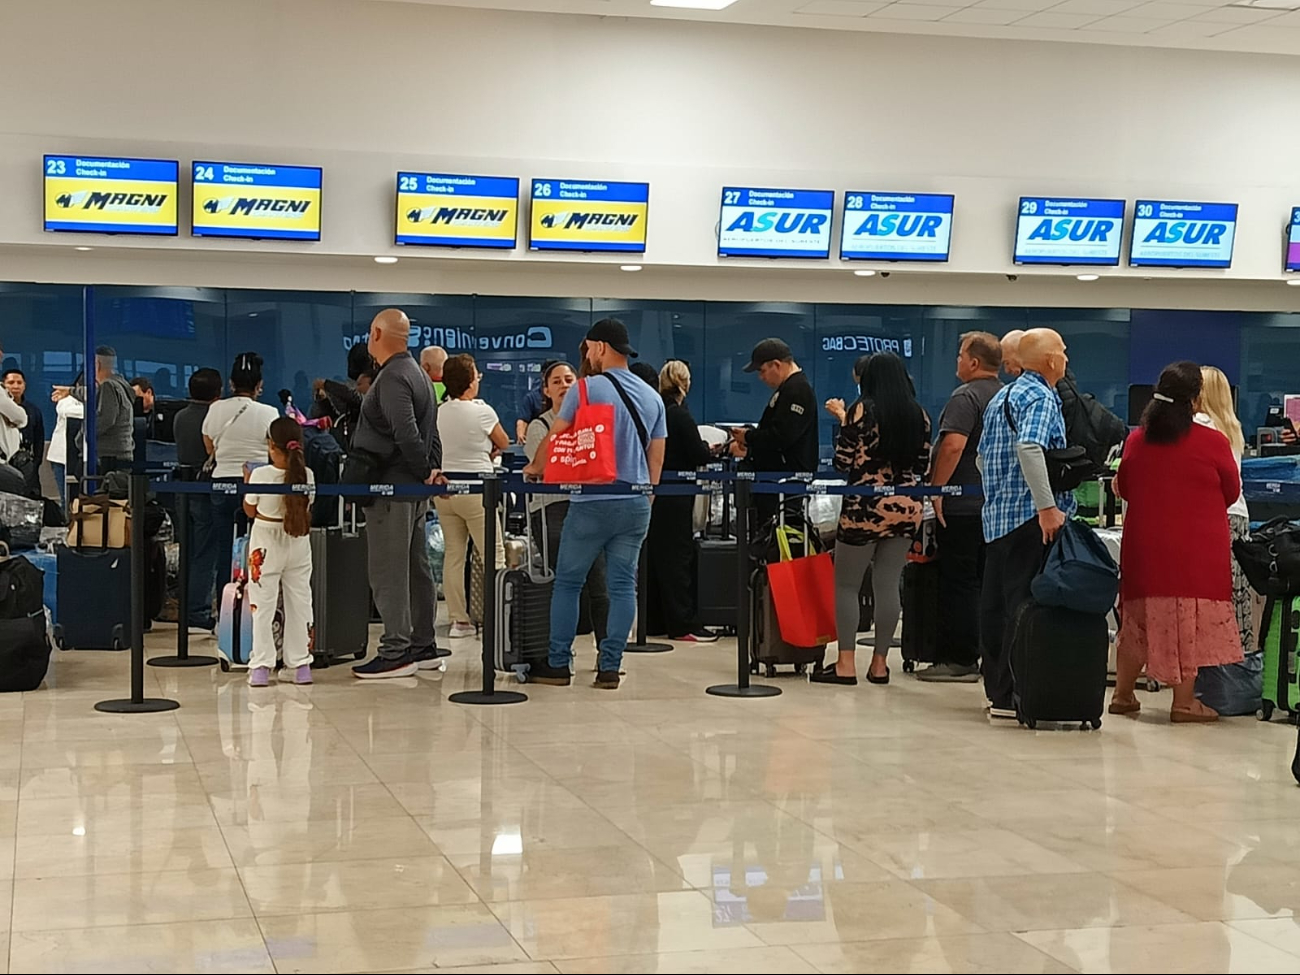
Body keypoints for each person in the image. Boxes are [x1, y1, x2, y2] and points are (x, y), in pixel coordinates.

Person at [523, 318, 666, 690]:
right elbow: (657, 459)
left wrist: (534, 467)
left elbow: (556, 438)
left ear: (600, 347)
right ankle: (610, 666)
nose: (586, 355)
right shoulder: (653, 396)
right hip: (635, 502)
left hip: (592, 500)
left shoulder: (586, 389)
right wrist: (646, 497)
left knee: (568, 583)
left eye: (588, 348)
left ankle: (558, 664)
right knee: (622, 586)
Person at [1110, 362, 1242, 723]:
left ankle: (1123, 695)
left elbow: (1126, 486)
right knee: (1188, 623)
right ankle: (1183, 703)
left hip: (1145, 548)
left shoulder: (1137, 439)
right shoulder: (1214, 441)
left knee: (1136, 621)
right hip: (1196, 551)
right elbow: (1232, 491)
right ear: (1196, 400)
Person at [813, 353, 930, 686]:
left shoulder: (860, 410)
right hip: (907, 507)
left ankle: (845, 664)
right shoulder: (920, 415)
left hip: (865, 507)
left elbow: (842, 461)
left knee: (847, 585)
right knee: (888, 583)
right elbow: (923, 465)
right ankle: (880, 665)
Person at [977, 328, 1074, 719]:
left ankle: (999, 691)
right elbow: (1030, 446)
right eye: (1062, 351)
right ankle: (1019, 690)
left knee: (995, 605)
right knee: (1022, 605)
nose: (1066, 357)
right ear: (1050, 360)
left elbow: (983, 458)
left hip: (998, 517)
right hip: (1029, 518)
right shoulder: (1040, 397)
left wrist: (996, 498)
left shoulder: (1003, 396)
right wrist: (1046, 506)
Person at [350, 309, 443, 679]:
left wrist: (423, 472)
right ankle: (423, 645)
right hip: (412, 490)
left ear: (376, 333)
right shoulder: (418, 372)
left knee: (389, 571)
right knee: (416, 569)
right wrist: (429, 472)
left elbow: (406, 433)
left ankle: (396, 649)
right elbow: (430, 433)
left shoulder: (391, 377)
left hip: (391, 489)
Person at [919, 332, 1003, 683]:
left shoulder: (966, 396)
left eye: (959, 355)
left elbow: (953, 445)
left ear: (973, 362)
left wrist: (938, 490)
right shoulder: (1006, 395)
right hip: (995, 506)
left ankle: (958, 657)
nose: (956, 361)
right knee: (989, 583)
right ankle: (990, 655)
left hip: (963, 505)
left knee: (959, 582)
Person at [523, 360, 609, 644]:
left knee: (600, 581)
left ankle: (607, 651)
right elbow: (546, 466)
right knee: (564, 580)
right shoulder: (539, 426)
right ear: (546, 390)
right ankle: (559, 650)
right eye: (557, 381)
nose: (564, 386)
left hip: (587, 507)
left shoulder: (592, 422)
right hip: (551, 510)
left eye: (569, 380)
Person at [434, 353, 508, 640]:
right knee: (493, 552)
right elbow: (502, 441)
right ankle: (497, 614)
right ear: (469, 381)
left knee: (454, 554)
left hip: (445, 490)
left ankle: (458, 621)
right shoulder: (482, 411)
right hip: (478, 490)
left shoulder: (438, 412)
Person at [201, 353, 280, 611]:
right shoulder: (269, 412)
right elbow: (273, 451)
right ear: (259, 385)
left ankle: (226, 611)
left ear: (231, 384)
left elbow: (209, 445)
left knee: (225, 548)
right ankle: (255, 606)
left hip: (221, 484)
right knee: (258, 547)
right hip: (255, 486)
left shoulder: (216, 409)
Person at [242, 416, 316, 687]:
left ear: (271, 446)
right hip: (298, 541)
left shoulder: (261, 475)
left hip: (265, 540)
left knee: (262, 604)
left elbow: (250, 509)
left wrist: (247, 481)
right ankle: (300, 665)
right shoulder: (308, 475)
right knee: (300, 602)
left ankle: (261, 665)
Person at [647, 360, 716, 643]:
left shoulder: (655, 410)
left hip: (656, 491)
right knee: (678, 557)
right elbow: (697, 453)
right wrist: (711, 450)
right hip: (676, 494)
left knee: (655, 558)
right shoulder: (679, 414)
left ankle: (653, 622)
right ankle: (682, 622)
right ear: (685, 384)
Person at [1194, 365, 1252, 659]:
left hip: (1214, 517)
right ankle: (1233, 658)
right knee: (1234, 591)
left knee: (1208, 592)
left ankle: (1205, 659)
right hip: (1239, 515)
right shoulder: (1232, 427)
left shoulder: (1202, 425)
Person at [730, 338, 818, 526]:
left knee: (782, 538)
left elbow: (782, 436)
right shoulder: (788, 389)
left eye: (762, 371)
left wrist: (749, 437)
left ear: (776, 365)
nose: (761, 378)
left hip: (785, 482)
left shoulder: (797, 391)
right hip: (776, 479)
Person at [174, 368, 224, 633]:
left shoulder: (180, 417)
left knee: (189, 549)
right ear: (218, 393)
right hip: (207, 489)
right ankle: (198, 610)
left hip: (183, 488)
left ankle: (186, 606)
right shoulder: (215, 418)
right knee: (206, 552)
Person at [55, 346, 134, 474]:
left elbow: (105, 419)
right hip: (118, 456)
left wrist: (82, 437)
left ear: (96, 364)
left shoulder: (108, 386)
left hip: (105, 459)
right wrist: (71, 391)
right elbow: (93, 394)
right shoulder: (120, 385)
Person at [2, 367, 43, 497]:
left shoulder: (32, 410)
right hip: (5, 460)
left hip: (26, 461)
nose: (15, 386)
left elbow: (39, 438)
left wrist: (36, 462)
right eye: (11, 382)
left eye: (19, 383)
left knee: (30, 496)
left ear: (25, 385)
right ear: (4, 385)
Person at [47, 380, 83, 504]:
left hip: (81, 457)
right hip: (60, 457)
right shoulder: (66, 400)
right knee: (66, 499)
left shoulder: (99, 401)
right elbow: (68, 412)